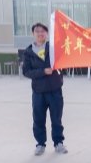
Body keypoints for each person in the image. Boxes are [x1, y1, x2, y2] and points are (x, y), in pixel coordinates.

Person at [23, 22, 66, 155]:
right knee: (38, 119)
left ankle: (58, 143)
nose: (40, 34)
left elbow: (63, 61)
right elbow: (26, 72)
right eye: (37, 31)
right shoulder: (29, 52)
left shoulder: (53, 48)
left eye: (43, 31)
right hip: (38, 91)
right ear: (33, 34)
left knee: (56, 118)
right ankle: (40, 144)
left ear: (47, 34)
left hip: (54, 90)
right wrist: (43, 72)